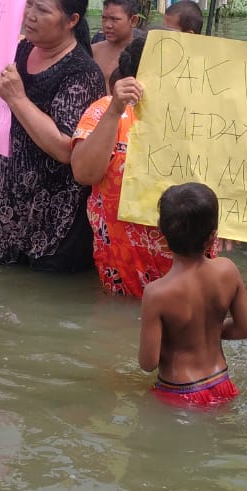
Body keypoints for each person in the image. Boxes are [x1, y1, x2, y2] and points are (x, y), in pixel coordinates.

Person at [0, 0, 107, 271]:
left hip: (54, 220)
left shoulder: (83, 73)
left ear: (72, 20)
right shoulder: (17, 51)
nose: (29, 14)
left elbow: (65, 149)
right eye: (29, 4)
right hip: (6, 202)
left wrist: (19, 99)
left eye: (42, 9)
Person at [72, 36, 175, 296]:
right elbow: (84, 173)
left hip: (187, 258)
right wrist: (115, 110)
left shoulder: (206, 117)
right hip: (122, 261)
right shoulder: (107, 110)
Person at [139, 182, 247, 407]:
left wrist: (184, 336)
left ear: (160, 231)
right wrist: (208, 330)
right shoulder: (227, 270)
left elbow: (148, 362)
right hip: (223, 384)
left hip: (178, 392)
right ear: (213, 236)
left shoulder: (157, 293)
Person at [91, 0, 141, 84]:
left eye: (114, 19)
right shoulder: (93, 52)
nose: (107, 25)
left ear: (133, 21)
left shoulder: (142, 55)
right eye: (104, 18)